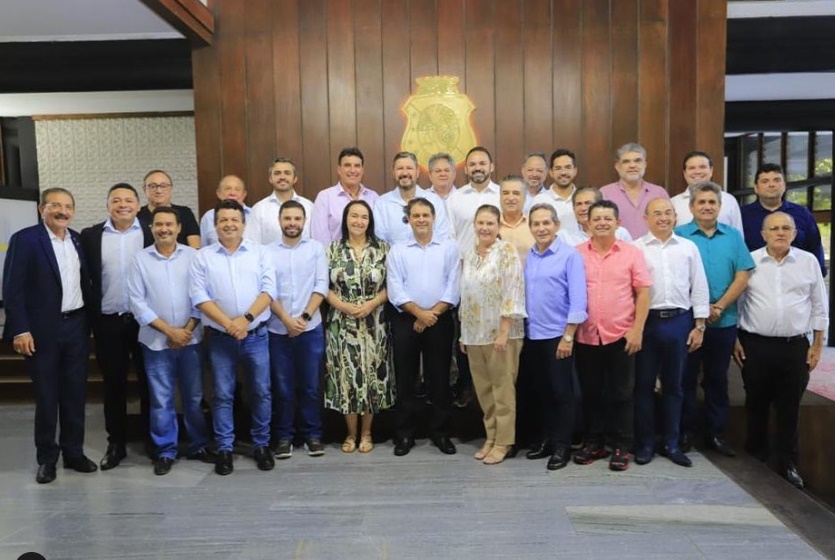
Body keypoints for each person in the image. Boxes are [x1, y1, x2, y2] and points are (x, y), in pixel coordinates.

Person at [3, 188, 97, 484]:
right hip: (41, 331)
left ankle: (74, 453)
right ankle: (47, 458)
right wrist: (20, 328)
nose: (62, 211)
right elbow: (12, 289)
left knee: (74, 394)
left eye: (68, 206)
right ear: (41, 209)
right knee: (47, 396)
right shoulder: (26, 239)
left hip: (76, 327)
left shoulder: (77, 240)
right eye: (55, 205)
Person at [734, 212, 828, 489]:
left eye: (786, 228)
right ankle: (756, 458)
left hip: (795, 346)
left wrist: (818, 344)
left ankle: (788, 463)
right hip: (755, 344)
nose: (780, 232)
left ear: (794, 233)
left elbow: (819, 306)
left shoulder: (808, 262)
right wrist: (734, 340)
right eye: (773, 228)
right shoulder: (749, 260)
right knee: (757, 403)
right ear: (763, 234)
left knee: (790, 408)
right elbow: (738, 304)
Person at [189, 199, 275, 475]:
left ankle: (262, 445)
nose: (229, 224)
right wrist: (230, 324)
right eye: (223, 220)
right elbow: (199, 297)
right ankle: (225, 448)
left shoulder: (260, 253)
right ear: (215, 226)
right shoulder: (202, 257)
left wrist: (245, 321)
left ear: (243, 224)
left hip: (257, 336)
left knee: (261, 392)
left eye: (234, 220)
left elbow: (268, 291)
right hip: (220, 337)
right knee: (222, 395)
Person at [127, 206, 215, 475]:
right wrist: (170, 332)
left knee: (194, 397)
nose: (164, 229)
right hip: (155, 342)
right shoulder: (140, 260)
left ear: (179, 228)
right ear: (152, 228)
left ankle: (199, 444)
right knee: (161, 399)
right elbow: (137, 303)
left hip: (191, 339)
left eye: (169, 224)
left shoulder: (194, 256)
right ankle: (165, 450)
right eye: (159, 224)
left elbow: (203, 295)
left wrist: (186, 329)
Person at [675, 181, 754, 456]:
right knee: (684, 380)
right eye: (702, 202)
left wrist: (718, 306)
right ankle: (685, 433)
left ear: (720, 207)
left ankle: (716, 434)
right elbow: (673, 280)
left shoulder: (733, 237)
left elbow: (743, 275)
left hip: (723, 321)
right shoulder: (679, 236)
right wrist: (699, 308)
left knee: (717, 380)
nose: (707, 207)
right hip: (687, 323)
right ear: (691, 206)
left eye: (712, 203)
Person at [573, 200, 652, 472]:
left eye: (608, 218)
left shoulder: (631, 253)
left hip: (621, 335)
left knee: (622, 394)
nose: (602, 223)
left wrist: (637, 329)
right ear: (588, 224)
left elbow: (643, 292)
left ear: (618, 222)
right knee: (591, 392)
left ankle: (621, 446)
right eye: (597, 218)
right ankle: (593, 442)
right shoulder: (576, 254)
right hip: (586, 335)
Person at [81, 183, 154, 470]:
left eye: (128, 200)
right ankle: (116, 443)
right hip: (108, 321)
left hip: (146, 322)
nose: (122, 204)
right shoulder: (90, 236)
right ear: (108, 205)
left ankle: (153, 441)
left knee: (151, 383)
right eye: (116, 200)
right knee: (114, 385)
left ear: (138, 204)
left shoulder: (151, 231)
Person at [633, 198, 709, 468]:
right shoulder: (635, 249)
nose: (663, 218)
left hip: (679, 321)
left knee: (675, 386)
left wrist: (699, 325)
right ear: (646, 218)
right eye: (657, 213)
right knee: (642, 386)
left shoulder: (688, 248)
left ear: (676, 217)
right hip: (646, 323)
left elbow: (699, 287)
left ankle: (672, 443)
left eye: (668, 213)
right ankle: (644, 444)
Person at [387, 198, 460, 456]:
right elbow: (395, 288)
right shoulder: (398, 250)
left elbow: (454, 285)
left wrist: (431, 314)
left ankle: (440, 433)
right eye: (415, 215)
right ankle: (404, 434)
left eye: (425, 215)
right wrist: (419, 314)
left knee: (439, 378)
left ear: (433, 217)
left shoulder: (448, 248)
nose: (421, 220)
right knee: (405, 378)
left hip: (439, 319)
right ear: (409, 219)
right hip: (407, 319)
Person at [324, 200, 394, 453]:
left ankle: (367, 433)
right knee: (347, 378)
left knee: (372, 377)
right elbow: (323, 287)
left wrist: (372, 303)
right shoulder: (332, 250)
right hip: (341, 324)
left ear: (370, 221)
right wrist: (344, 306)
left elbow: (392, 286)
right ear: (345, 219)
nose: (358, 221)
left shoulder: (383, 249)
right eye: (354, 216)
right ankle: (350, 434)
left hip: (375, 323)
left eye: (364, 217)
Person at [460, 204, 526, 465]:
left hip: (501, 334)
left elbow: (513, 290)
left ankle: (504, 441)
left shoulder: (506, 251)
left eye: (490, 223)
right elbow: (466, 294)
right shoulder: (469, 253)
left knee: (502, 390)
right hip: (474, 333)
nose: (485, 228)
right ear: (474, 225)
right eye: (481, 223)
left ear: (498, 226)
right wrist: (463, 334)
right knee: (484, 390)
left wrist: (504, 331)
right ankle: (490, 436)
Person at [523, 203, 587, 471]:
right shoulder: (530, 256)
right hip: (532, 335)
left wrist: (568, 336)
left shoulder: (569, 256)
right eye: (536, 224)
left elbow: (579, 299)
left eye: (546, 223)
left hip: (558, 336)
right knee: (541, 392)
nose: (541, 228)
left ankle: (562, 445)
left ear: (557, 225)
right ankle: (546, 439)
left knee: (563, 393)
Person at [266, 200, 328, 459]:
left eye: (297, 219)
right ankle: (283, 437)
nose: (292, 223)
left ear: (304, 221)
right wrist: (286, 320)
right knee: (282, 386)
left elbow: (321, 285)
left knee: (312, 385)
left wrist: (302, 317)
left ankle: (313, 435)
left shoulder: (315, 249)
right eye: (287, 218)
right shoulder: (266, 252)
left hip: (310, 327)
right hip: (277, 329)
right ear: (279, 221)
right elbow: (266, 290)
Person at [740, 163, 826, 276]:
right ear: (756, 188)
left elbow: (815, 246)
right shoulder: (742, 215)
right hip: (755, 279)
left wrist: (818, 273)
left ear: (784, 185)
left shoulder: (802, 214)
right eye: (765, 181)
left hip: (796, 278)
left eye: (777, 180)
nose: (771, 185)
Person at [373, 151, 449, 244]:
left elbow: (442, 237)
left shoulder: (434, 201)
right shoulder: (382, 203)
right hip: (394, 258)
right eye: (400, 168)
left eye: (409, 168)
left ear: (417, 172)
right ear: (393, 173)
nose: (404, 173)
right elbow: (380, 241)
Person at [600, 142, 669, 239]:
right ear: (617, 166)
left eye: (637, 161)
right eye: (626, 161)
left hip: (653, 250)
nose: (632, 165)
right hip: (618, 251)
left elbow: (669, 224)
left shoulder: (659, 193)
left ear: (644, 165)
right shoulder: (605, 193)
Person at [311, 147, 379, 244]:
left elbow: (377, 233)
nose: (352, 170)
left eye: (357, 166)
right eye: (347, 165)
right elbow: (320, 238)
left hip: (369, 257)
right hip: (334, 258)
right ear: (339, 170)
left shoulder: (373, 197)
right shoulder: (325, 197)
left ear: (362, 170)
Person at [446, 146, 501, 256]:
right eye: (472, 164)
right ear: (466, 169)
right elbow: (450, 236)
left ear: (491, 167)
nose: (477, 168)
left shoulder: (502, 195)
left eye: (482, 163)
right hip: (464, 264)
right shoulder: (455, 198)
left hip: (496, 264)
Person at [670, 151, 743, 232]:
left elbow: (738, 235)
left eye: (702, 167)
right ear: (684, 173)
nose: (697, 171)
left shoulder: (729, 200)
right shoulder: (673, 203)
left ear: (711, 170)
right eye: (692, 168)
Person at [250, 157, 314, 244]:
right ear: (270, 178)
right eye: (277, 173)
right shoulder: (259, 209)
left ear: (295, 179)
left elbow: (316, 241)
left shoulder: (309, 207)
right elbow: (253, 245)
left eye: (287, 173)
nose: (282, 177)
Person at [138, 169, 200, 248]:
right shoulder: (137, 215)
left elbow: (195, 247)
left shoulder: (185, 213)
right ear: (144, 190)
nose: (159, 190)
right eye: (153, 186)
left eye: (163, 186)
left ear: (171, 188)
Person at [558, 187, 632, 246]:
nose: (583, 208)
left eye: (588, 203)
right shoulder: (563, 236)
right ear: (574, 209)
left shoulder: (620, 233)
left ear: (599, 206)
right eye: (579, 204)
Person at [199, 175, 256, 246]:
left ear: (244, 194)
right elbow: (204, 247)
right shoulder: (209, 217)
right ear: (218, 193)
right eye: (227, 189)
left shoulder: (255, 214)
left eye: (237, 189)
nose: (232, 193)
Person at [534, 148, 579, 232]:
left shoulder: (584, 199)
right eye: (558, 168)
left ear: (575, 170)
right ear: (551, 172)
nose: (563, 172)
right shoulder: (539, 200)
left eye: (568, 167)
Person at [499, 175, 536, 265]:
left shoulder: (535, 226)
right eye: (506, 193)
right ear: (500, 197)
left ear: (525, 198)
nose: (510, 198)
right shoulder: (489, 226)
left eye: (516, 193)